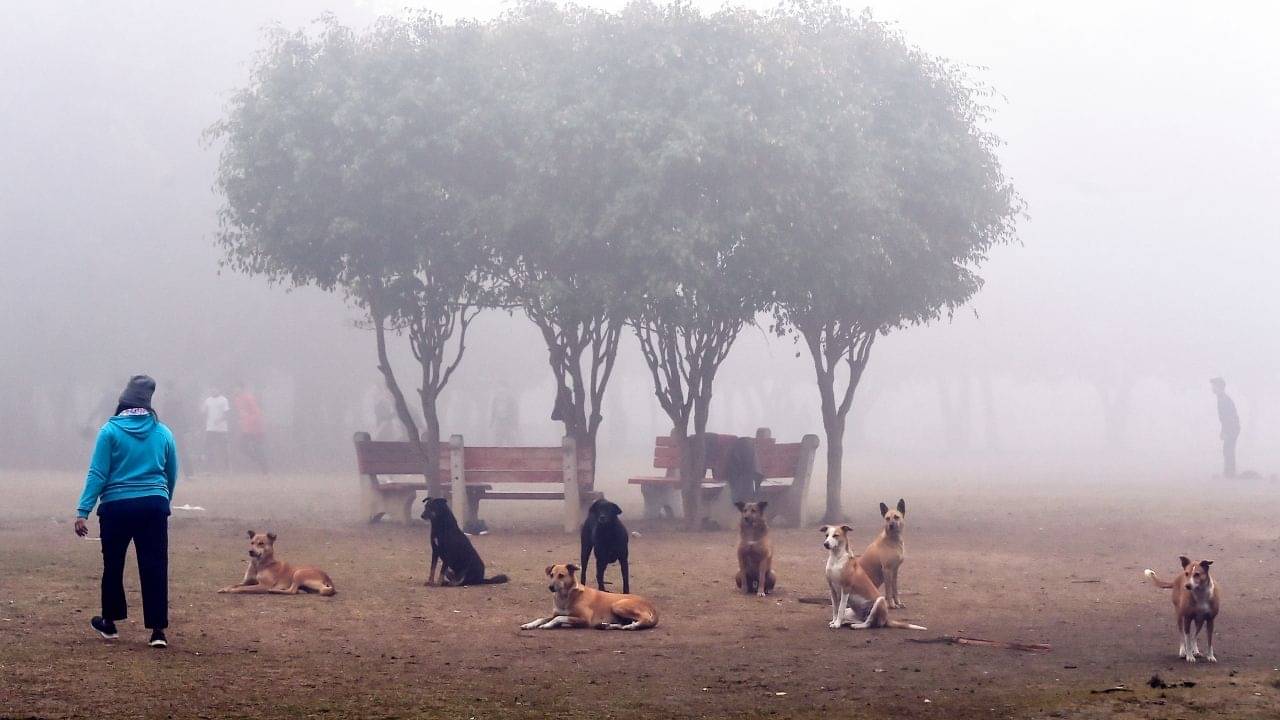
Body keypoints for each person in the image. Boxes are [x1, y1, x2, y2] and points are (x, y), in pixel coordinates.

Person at [74, 375, 178, 649]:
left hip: (116, 507)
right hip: (153, 506)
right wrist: (163, 499)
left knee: (113, 565)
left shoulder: (109, 431)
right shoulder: (163, 432)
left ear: (123, 401)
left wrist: (84, 510)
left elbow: (98, 473)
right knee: (155, 566)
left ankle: (110, 623)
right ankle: (157, 631)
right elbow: (171, 471)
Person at [233, 382, 268, 474]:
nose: (234, 390)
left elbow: (257, 412)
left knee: (257, 448)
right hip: (246, 428)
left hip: (256, 428)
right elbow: (242, 413)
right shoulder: (237, 399)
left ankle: (265, 469)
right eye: (233, 388)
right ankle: (258, 460)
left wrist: (250, 420)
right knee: (242, 446)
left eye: (235, 388)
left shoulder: (248, 398)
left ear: (241, 388)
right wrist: (241, 420)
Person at [1210, 377, 1240, 478]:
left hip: (1233, 428)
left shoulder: (1224, 400)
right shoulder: (1221, 399)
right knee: (1227, 449)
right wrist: (1223, 431)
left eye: (1214, 386)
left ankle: (1230, 473)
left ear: (1219, 387)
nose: (1212, 388)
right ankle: (1229, 472)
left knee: (1228, 449)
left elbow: (1229, 417)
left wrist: (1226, 432)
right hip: (1232, 428)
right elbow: (1224, 419)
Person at [201, 388, 231, 474]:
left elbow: (226, 414)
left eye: (215, 389)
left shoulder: (224, 400)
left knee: (224, 449)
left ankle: (226, 469)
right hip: (210, 428)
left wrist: (220, 420)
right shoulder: (208, 400)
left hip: (222, 429)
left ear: (219, 390)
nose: (213, 391)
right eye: (212, 389)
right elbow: (204, 412)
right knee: (208, 449)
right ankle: (208, 469)